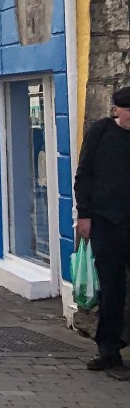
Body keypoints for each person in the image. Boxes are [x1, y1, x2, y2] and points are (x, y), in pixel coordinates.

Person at [73, 86, 130, 373]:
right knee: (111, 287)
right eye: (126, 111)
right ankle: (108, 349)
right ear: (117, 110)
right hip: (106, 221)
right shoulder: (101, 132)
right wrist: (84, 215)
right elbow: (84, 173)